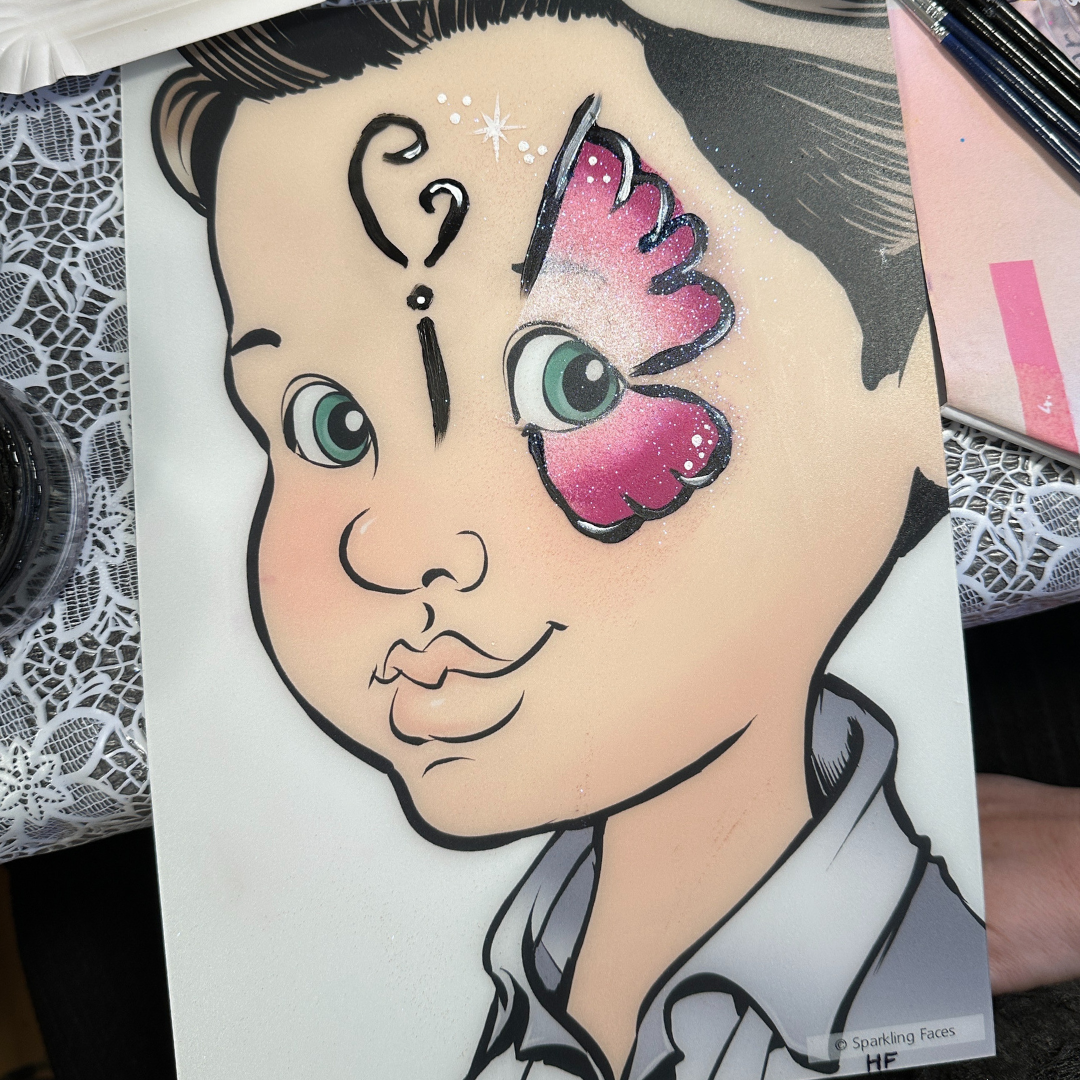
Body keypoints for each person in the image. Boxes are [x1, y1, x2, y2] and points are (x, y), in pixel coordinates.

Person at [151, 2, 995, 1076]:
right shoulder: (504, 975)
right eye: (331, 424)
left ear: (915, 370)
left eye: (575, 379)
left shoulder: (900, 997)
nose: (395, 551)